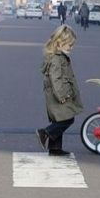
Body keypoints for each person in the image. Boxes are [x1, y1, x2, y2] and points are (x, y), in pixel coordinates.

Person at [36, 25, 83, 156]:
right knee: (67, 119)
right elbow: (55, 79)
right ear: (59, 43)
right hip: (59, 95)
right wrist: (61, 95)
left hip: (58, 94)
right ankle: (45, 133)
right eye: (69, 45)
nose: (71, 48)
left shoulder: (59, 56)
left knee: (59, 119)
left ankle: (55, 148)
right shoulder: (56, 59)